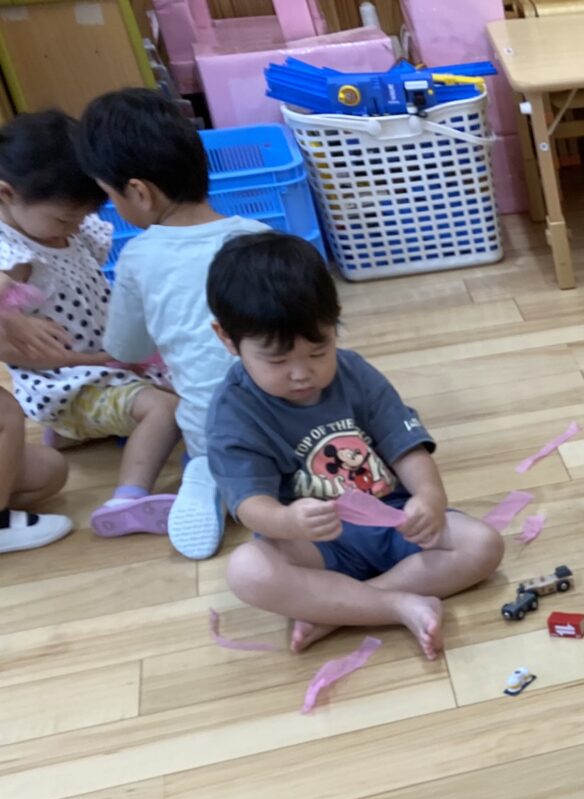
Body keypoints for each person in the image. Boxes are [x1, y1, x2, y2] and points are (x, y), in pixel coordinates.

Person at [204, 232, 504, 658]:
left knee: (484, 545)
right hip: (316, 543)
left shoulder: (355, 372)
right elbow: (249, 503)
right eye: (277, 360)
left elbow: (405, 445)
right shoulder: (233, 412)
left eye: (318, 351)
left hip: (395, 521)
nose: (301, 373)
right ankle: (395, 604)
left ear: (335, 323)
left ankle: (344, 607)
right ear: (227, 339)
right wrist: (287, 520)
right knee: (248, 571)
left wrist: (429, 498)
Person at [80, 88, 270, 562]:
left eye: (109, 197)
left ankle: (207, 473)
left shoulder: (139, 257)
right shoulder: (262, 238)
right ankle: (278, 479)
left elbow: (125, 349)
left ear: (139, 192)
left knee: (196, 423)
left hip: (212, 428)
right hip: (290, 415)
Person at [0, 111, 181, 554]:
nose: (76, 227)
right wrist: (15, 318)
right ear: (6, 195)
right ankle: (129, 497)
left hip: (101, 365)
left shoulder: (67, 230)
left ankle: (72, 433)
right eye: (65, 219)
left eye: (83, 216)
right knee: (167, 408)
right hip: (69, 381)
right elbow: (17, 344)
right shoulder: (14, 256)